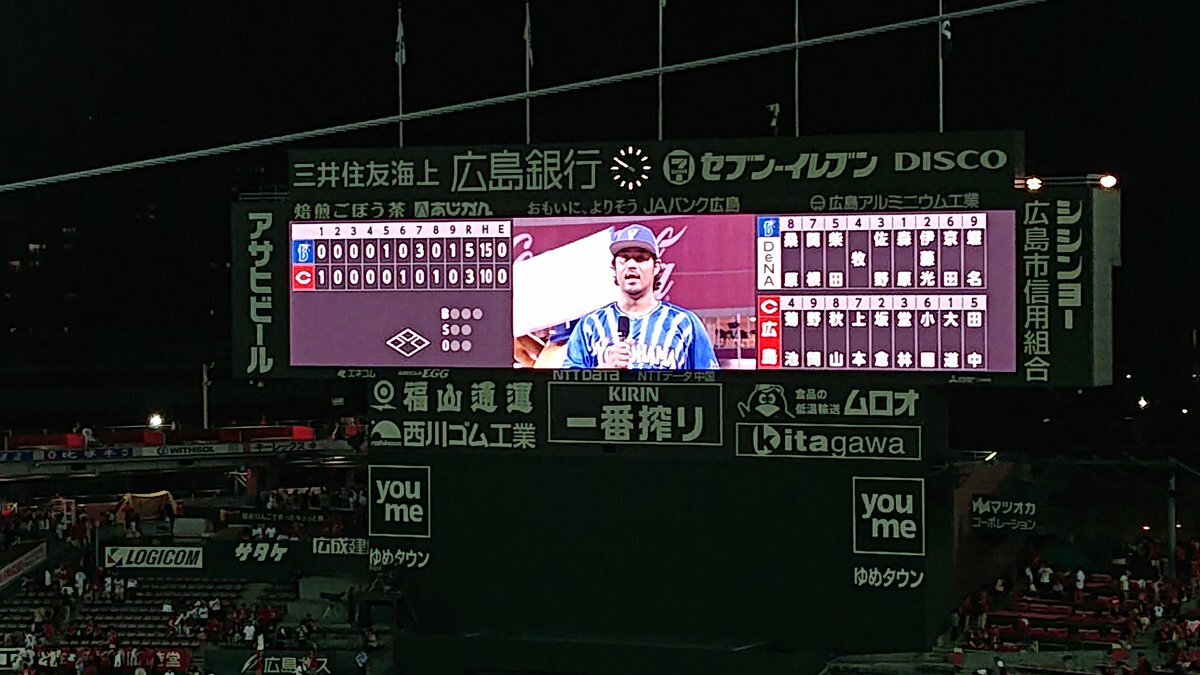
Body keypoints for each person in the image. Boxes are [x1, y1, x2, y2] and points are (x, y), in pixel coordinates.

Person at [562, 224, 718, 370]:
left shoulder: (684, 323)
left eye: (640, 258)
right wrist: (603, 370)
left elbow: (711, 382)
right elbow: (566, 384)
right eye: (624, 259)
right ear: (614, 267)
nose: (631, 265)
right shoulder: (590, 325)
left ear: (656, 267)